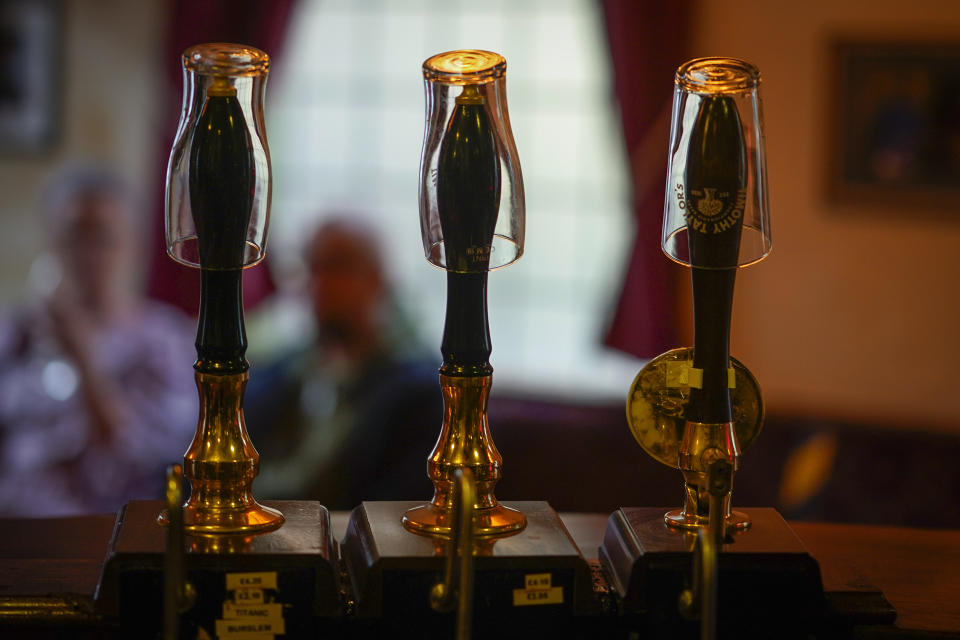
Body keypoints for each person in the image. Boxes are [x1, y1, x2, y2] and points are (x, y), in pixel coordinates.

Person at [0, 166, 197, 515]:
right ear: (52, 243)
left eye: (103, 238)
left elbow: (146, 458)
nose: (88, 255)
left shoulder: (163, 338)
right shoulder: (17, 332)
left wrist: (83, 357)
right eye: (75, 237)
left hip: (100, 534)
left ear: (132, 245)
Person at [245, 218, 441, 509]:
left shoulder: (419, 390)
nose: (320, 283)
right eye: (313, 267)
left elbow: (398, 507)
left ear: (378, 279)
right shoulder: (278, 374)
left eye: (338, 267)